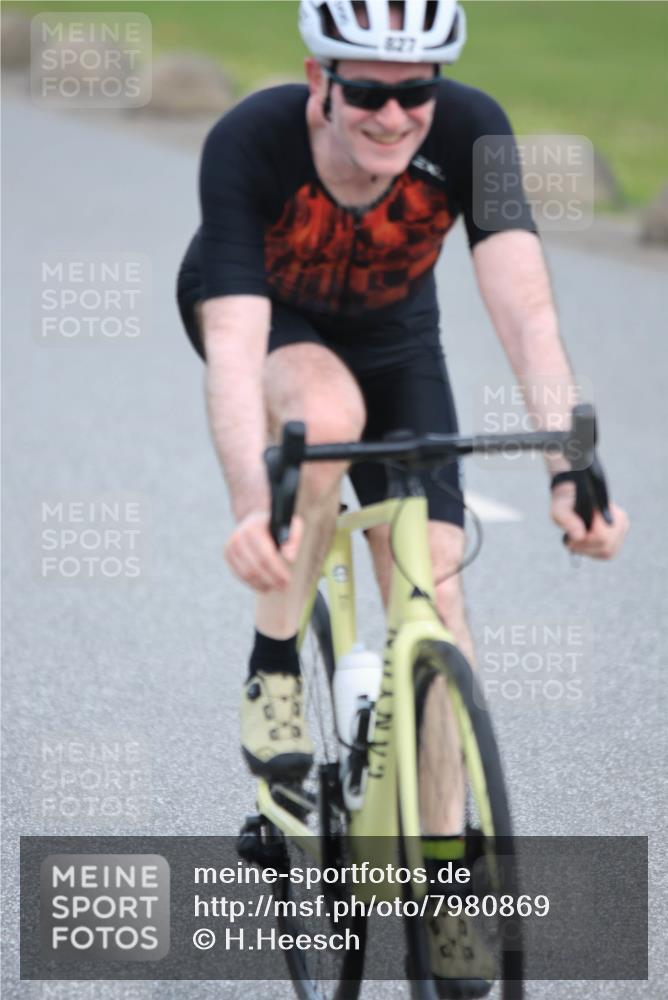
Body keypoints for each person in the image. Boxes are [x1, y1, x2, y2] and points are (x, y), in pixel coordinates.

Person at [177, 1, 629, 993]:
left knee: (437, 594)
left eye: (414, 90)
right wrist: (255, 503)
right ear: (318, 79)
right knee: (326, 415)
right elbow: (234, 351)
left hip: (395, 334)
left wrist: (568, 467)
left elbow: (524, 307)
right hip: (263, 314)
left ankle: (443, 875)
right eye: (369, 91)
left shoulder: (475, 132)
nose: (392, 114)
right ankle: (274, 677)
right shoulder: (248, 139)